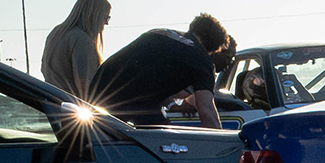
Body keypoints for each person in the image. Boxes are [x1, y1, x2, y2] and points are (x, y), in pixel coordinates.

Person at [88, 14, 231, 128]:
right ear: (213, 50)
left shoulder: (160, 33)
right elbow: (206, 109)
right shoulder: (202, 59)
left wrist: (175, 104)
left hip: (96, 90)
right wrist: (224, 146)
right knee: (165, 143)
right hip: (131, 102)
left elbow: (153, 81)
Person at [41, 0, 112, 99]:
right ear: (95, 16)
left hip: (52, 100)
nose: (106, 23)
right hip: (72, 105)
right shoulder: (83, 40)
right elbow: (85, 85)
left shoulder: (56, 33)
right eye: (106, 17)